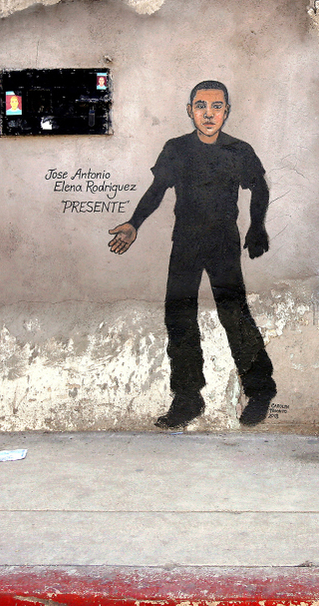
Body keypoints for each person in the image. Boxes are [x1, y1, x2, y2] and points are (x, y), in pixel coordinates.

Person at [108, 80, 276, 428]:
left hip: (223, 243)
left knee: (234, 313)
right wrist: (134, 223)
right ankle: (188, 398)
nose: (209, 113)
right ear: (190, 111)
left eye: (217, 106)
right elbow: (157, 190)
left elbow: (259, 187)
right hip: (185, 241)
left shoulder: (239, 150)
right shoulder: (176, 149)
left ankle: (260, 390)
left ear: (226, 111)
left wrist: (257, 226)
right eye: (201, 106)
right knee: (179, 316)